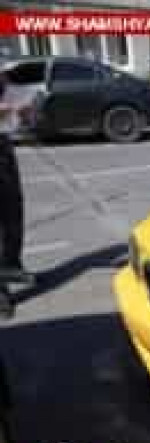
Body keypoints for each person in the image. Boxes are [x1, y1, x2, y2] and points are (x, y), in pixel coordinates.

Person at [0, 68, 35, 319]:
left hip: (3, 148)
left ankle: (11, 265)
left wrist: (23, 114)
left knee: (14, 212)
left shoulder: (4, 82)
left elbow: (16, 119)